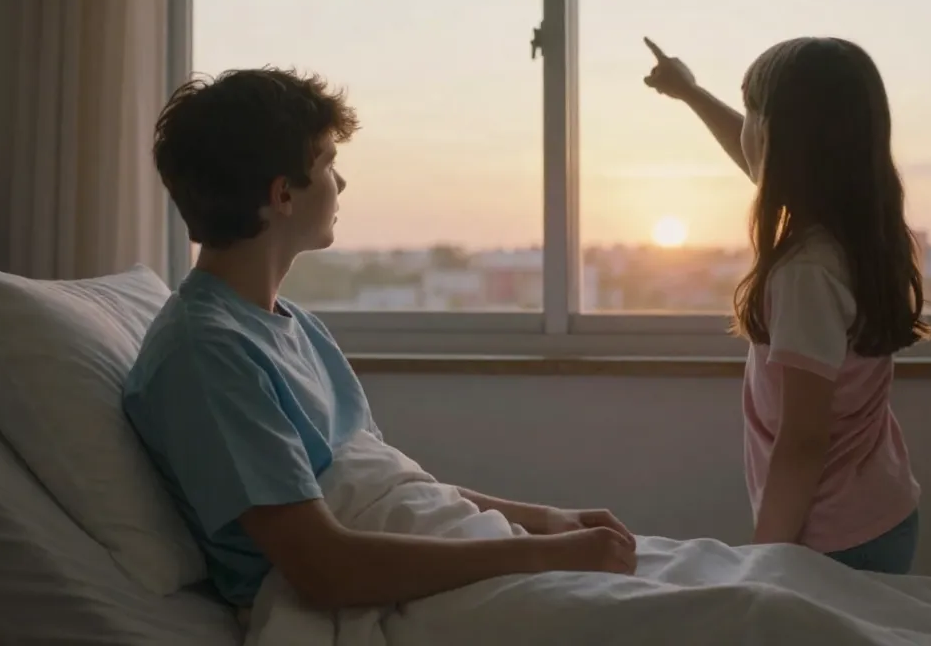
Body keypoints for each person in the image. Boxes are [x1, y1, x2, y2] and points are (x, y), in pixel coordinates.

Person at [122, 68, 636, 612]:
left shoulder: (295, 326)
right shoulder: (207, 354)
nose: (340, 184)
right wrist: (544, 555)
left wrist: (546, 522)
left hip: (434, 553)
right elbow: (326, 569)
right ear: (283, 194)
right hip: (369, 602)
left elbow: (393, 488)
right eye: (327, 164)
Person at [643, 36, 929, 574]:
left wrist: (762, 560)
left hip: (834, 538)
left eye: (754, 112)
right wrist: (691, 93)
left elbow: (803, 441)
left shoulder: (805, 274)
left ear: (785, 141)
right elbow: (758, 159)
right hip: (878, 514)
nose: (746, 128)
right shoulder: (854, 234)